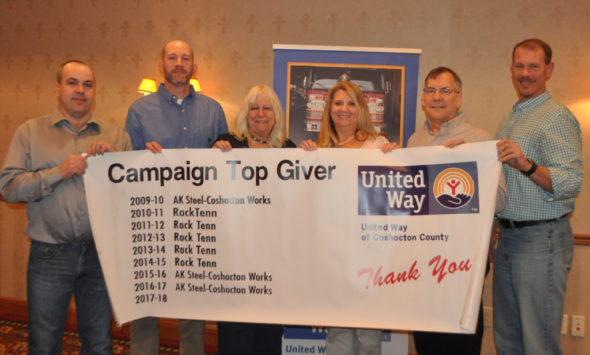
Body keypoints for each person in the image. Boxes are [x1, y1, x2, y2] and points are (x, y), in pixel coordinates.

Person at [0, 60, 132, 354]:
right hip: (50, 254)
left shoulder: (115, 136)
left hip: (100, 256)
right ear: (57, 88)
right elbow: (8, 187)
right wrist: (59, 172)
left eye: (87, 84)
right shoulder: (30, 132)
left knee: (100, 342)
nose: (81, 91)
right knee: (45, 342)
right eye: (72, 83)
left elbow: (133, 197)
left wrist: (117, 164)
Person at [124, 40, 228, 355]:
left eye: (185, 58)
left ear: (194, 66)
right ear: (161, 65)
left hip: (197, 223)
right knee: (145, 311)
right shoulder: (139, 111)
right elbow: (127, 168)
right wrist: (141, 157)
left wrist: (225, 152)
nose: (179, 63)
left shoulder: (213, 110)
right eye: (172, 57)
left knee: (193, 315)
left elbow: (225, 168)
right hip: (152, 223)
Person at [408, 66, 507, 355]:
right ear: (423, 99)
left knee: (461, 342)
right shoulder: (415, 141)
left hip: (464, 262)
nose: (437, 97)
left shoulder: (481, 139)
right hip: (423, 260)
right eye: (430, 90)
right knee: (427, 341)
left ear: (459, 98)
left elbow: (500, 201)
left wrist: (467, 164)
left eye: (445, 90)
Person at [494, 39, 582, 355]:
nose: (525, 73)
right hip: (508, 239)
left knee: (538, 343)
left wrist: (526, 164)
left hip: (540, 240)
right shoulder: (513, 115)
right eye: (519, 65)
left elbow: (571, 181)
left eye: (534, 66)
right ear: (511, 69)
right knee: (508, 339)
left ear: (549, 69)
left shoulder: (556, 116)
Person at [300, 81, 398, 355]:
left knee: (368, 333)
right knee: (338, 331)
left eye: (351, 103)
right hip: (332, 253)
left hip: (369, 253)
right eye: (338, 103)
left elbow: (391, 196)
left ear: (361, 109)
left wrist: (395, 158)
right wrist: (305, 160)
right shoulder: (317, 149)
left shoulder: (377, 145)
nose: (344, 109)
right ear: (329, 109)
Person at [212, 84, 295, 354]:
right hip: (233, 262)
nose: (260, 114)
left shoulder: (288, 148)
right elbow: (204, 191)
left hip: (273, 262)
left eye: (267, 108)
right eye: (254, 108)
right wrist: (210, 157)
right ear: (245, 114)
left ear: (276, 114)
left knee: (269, 338)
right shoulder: (228, 144)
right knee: (235, 338)